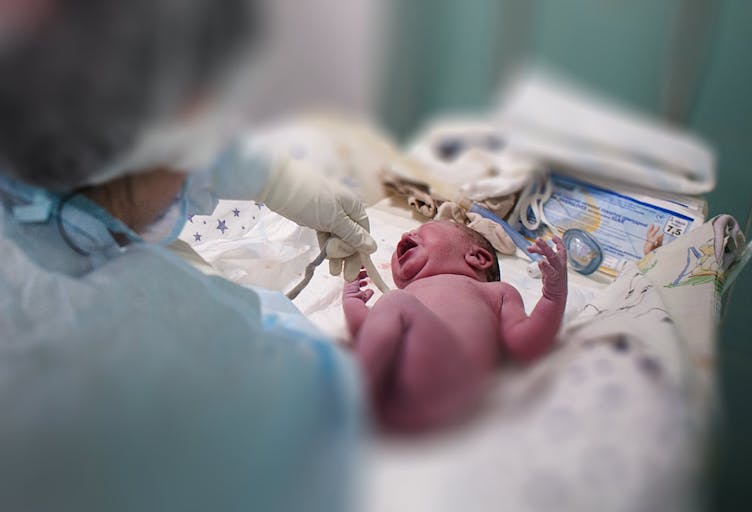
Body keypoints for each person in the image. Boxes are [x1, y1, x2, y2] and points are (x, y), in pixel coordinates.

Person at [0, 1, 370, 511]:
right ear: (186, 117)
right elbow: (313, 401)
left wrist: (269, 176)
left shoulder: (39, 151)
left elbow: (131, 148)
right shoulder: (152, 362)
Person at [342, 221, 568, 431]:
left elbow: (524, 345)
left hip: (447, 382)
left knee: (393, 302)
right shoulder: (405, 298)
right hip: (393, 397)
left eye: (426, 228)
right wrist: (352, 301)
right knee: (392, 304)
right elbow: (369, 334)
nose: (406, 234)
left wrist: (553, 296)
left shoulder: (496, 291)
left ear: (476, 257)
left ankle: (346, 403)